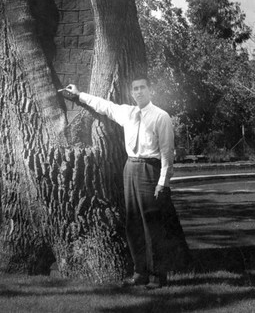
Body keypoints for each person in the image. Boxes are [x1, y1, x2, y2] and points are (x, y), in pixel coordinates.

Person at [61, 76, 186, 289]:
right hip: (130, 167)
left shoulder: (161, 116)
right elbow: (105, 106)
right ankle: (140, 273)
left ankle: (157, 275)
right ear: (131, 93)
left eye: (143, 88)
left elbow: (167, 153)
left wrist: (163, 182)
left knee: (151, 223)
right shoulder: (127, 112)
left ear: (150, 90)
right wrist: (79, 95)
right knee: (133, 223)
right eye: (135, 89)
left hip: (150, 169)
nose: (139, 92)